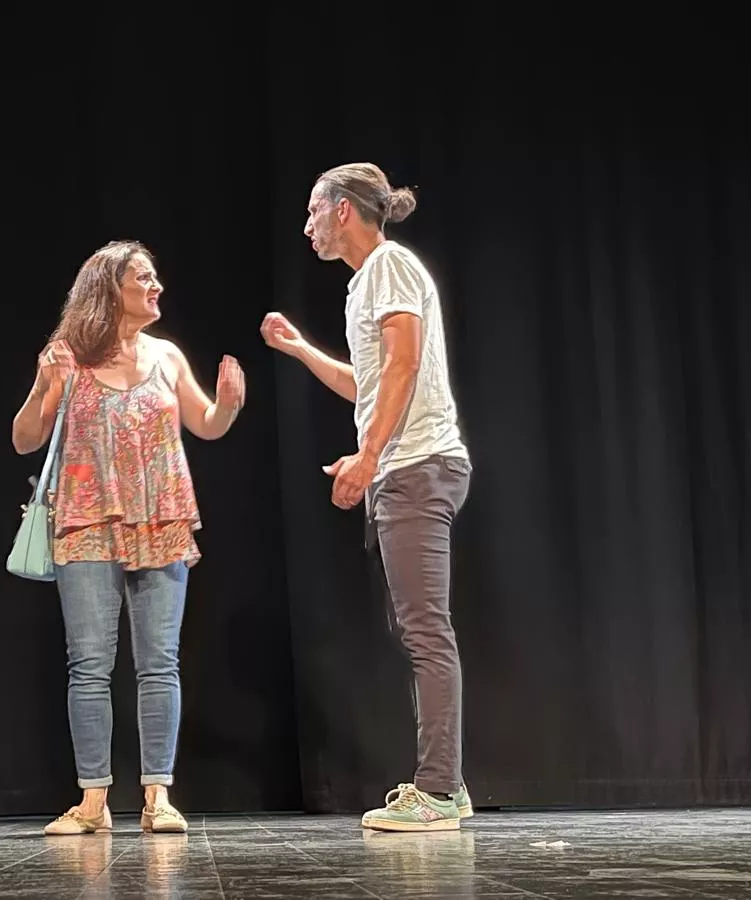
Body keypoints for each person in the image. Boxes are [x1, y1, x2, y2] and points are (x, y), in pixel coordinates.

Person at [261, 162, 474, 832]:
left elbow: (406, 365)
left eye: (312, 212)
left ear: (342, 210)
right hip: (403, 468)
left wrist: (370, 455)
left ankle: (440, 790)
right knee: (413, 629)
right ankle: (443, 787)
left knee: (424, 630)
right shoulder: (367, 285)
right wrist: (299, 351)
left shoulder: (389, 265)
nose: (307, 227)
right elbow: (371, 382)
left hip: (417, 464)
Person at [11, 240, 246, 836]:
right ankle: (92, 803)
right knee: (89, 665)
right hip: (86, 521)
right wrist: (43, 388)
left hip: (161, 519)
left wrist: (228, 406)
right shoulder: (68, 356)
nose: (156, 285)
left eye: (155, 276)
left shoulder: (166, 355)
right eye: (144, 277)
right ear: (110, 288)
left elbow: (206, 424)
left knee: (159, 663)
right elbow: (23, 439)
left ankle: (157, 796)